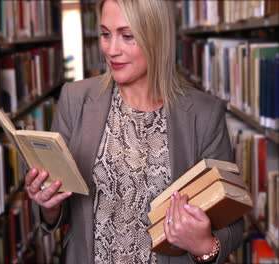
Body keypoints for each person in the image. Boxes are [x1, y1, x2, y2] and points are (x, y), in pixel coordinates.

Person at [25, 0, 244, 263]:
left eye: (127, 36)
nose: (111, 49)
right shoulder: (75, 100)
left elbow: (232, 222)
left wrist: (205, 245)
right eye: (105, 34)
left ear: (156, 37)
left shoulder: (204, 114)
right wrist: (49, 205)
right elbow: (62, 212)